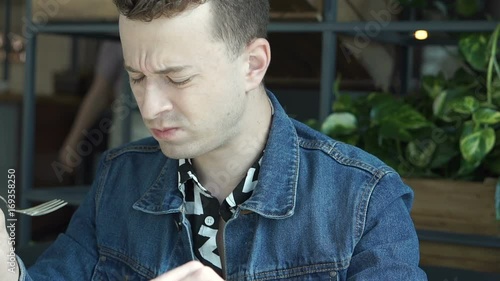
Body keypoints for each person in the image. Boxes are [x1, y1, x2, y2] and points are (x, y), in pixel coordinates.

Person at [1, 0, 428, 280]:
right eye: (137, 77)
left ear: (253, 64)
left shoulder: (365, 200)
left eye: (177, 78)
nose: (149, 107)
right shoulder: (119, 178)